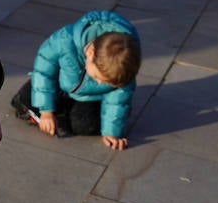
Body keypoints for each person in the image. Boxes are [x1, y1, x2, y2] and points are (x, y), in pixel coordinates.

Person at [8, 10, 140, 150]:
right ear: (90, 53)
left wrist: (112, 133)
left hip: (90, 97)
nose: (101, 83)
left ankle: (61, 114)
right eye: (97, 77)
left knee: (85, 125)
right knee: (29, 97)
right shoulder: (65, 40)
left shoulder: (125, 64)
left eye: (108, 83)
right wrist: (46, 112)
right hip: (59, 84)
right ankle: (47, 111)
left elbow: (118, 100)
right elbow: (44, 71)